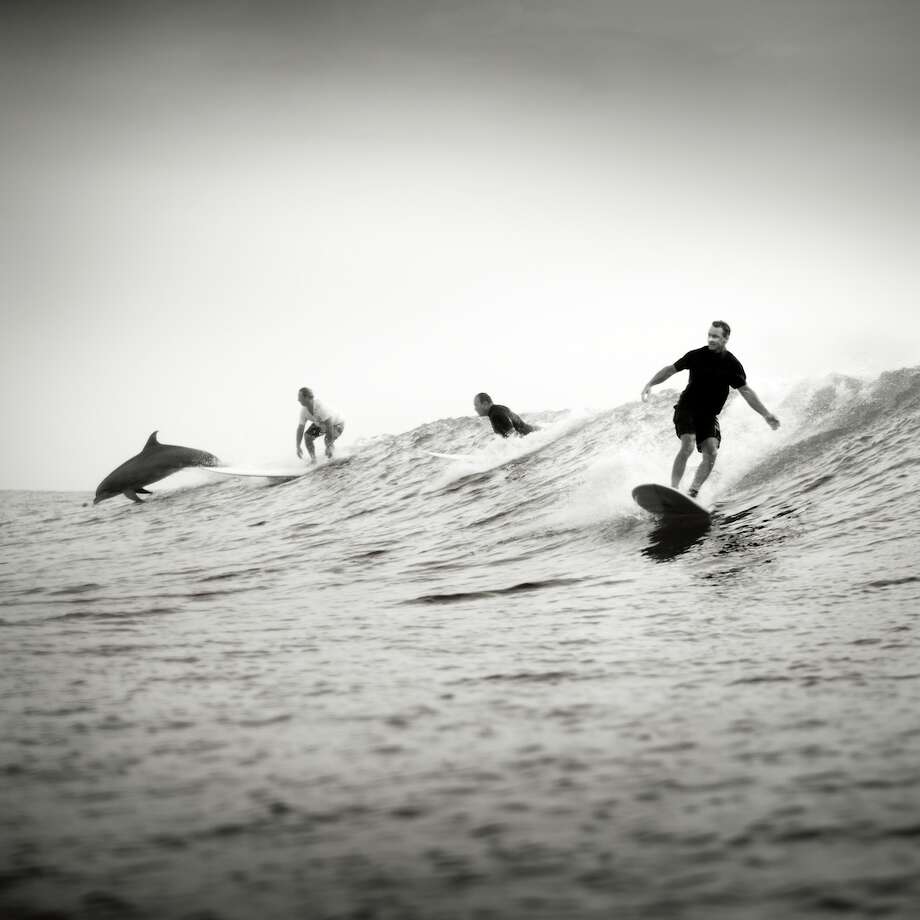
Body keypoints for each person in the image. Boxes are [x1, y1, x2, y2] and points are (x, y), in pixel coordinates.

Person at [640, 321, 780, 497]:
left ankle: (693, 492)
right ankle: (673, 490)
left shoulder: (732, 365)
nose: (711, 339)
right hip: (687, 408)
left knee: (712, 452)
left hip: (708, 415)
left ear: (726, 338)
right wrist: (650, 383)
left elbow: (746, 392)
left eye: (716, 336)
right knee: (688, 444)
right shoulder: (696, 356)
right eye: (710, 335)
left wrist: (766, 415)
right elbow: (670, 370)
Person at [295, 387, 345, 462]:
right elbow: (300, 428)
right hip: (322, 424)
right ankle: (314, 460)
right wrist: (298, 446)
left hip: (337, 423)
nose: (298, 400)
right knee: (308, 437)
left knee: (327, 441)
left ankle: (333, 459)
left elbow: (329, 424)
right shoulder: (304, 411)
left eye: (300, 397)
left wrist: (329, 445)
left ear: (307, 397)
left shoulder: (320, 406)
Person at [473, 392, 538, 437]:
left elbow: (513, 436)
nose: (475, 408)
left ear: (485, 404)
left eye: (476, 405)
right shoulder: (499, 408)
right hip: (533, 431)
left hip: (531, 436)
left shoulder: (495, 415)